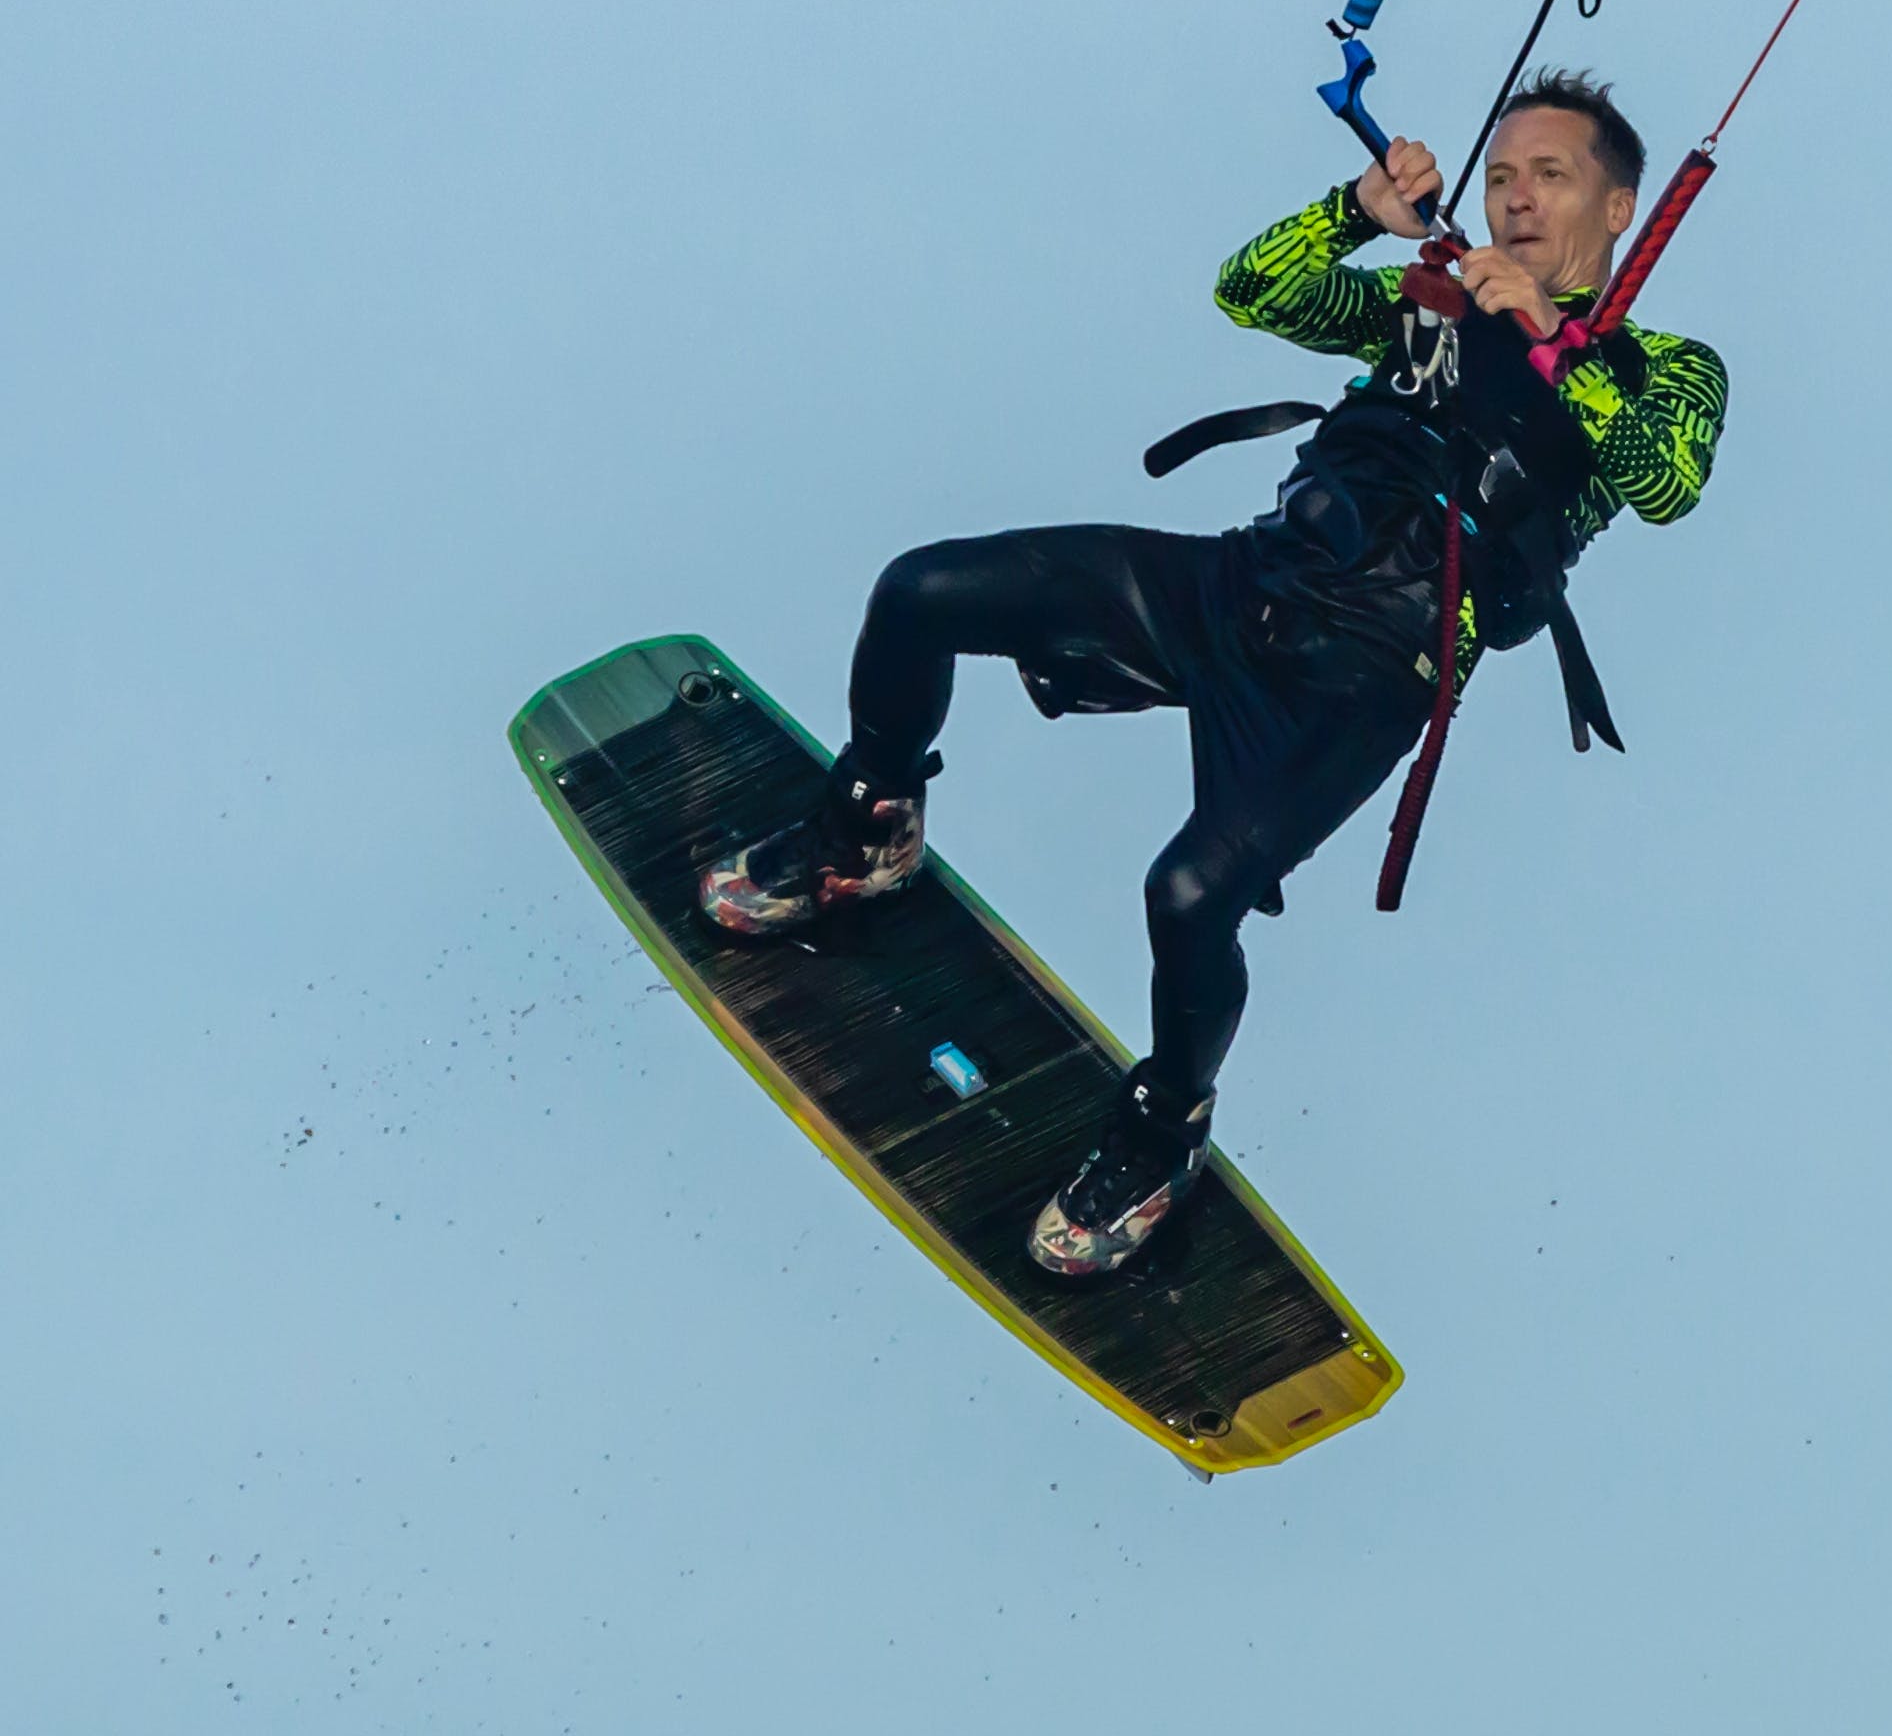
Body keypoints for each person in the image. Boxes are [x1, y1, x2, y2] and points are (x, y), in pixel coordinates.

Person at [700, 70, 1730, 1277]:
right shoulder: (1436, 302)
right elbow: (1254, 287)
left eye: (1548, 177)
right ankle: (867, 825)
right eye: (1499, 175)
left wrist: (1539, 343)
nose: (1512, 200)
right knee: (920, 591)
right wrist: (1356, 211)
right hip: (1244, 586)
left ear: (1619, 209)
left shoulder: (1666, 366)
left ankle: (1166, 1128)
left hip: (1367, 673)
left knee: (1188, 894)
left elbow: (1668, 483)